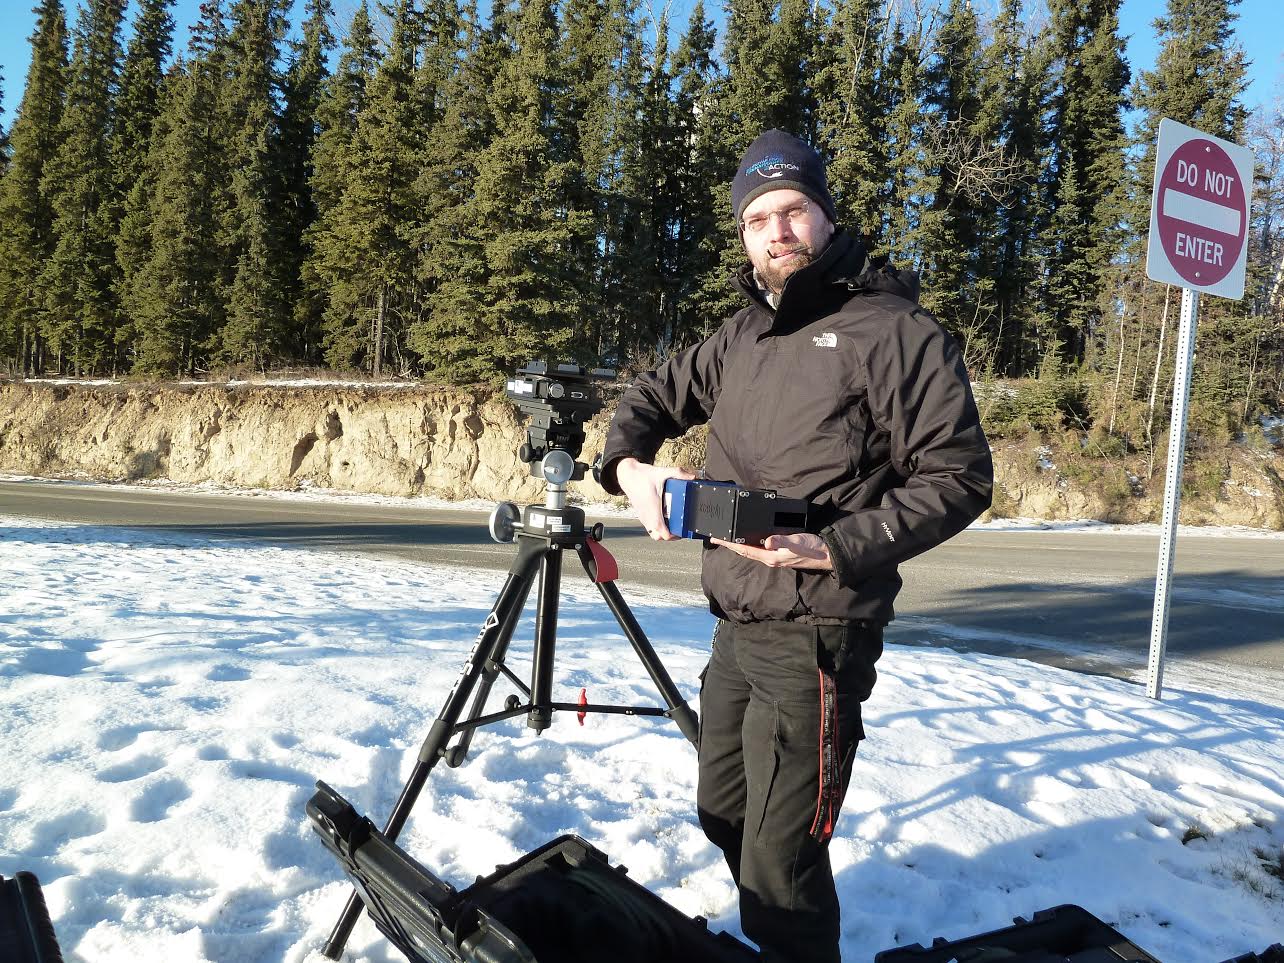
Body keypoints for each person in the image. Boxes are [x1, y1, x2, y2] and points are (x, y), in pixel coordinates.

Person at [597, 129, 993, 962]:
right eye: (757, 219)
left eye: (793, 211)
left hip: (817, 631)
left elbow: (959, 478)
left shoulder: (894, 332)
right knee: (723, 810)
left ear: (824, 215)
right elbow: (650, 395)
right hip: (736, 623)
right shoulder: (741, 336)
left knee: (782, 866)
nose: (776, 231)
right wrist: (630, 469)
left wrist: (833, 548)